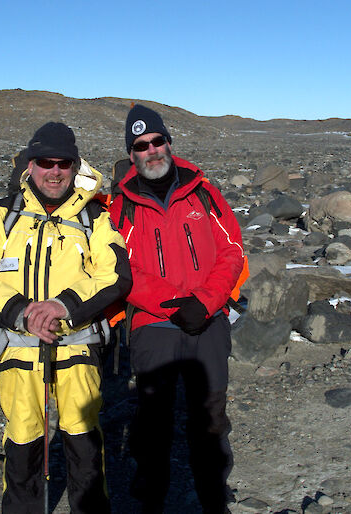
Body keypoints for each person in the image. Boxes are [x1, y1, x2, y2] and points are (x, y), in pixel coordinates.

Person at [0, 122, 131, 513]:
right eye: (45, 162)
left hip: (78, 349)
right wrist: (21, 312)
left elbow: (115, 274)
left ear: (75, 166)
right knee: (22, 443)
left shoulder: (95, 219)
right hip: (19, 352)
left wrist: (62, 307)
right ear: (30, 165)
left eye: (63, 163)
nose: (54, 171)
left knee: (84, 443)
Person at [109, 105, 244, 513]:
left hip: (210, 319)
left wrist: (205, 301)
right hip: (154, 325)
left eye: (156, 141)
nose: (151, 151)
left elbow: (232, 249)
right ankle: (151, 496)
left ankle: (213, 496)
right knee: (153, 420)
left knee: (211, 414)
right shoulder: (122, 207)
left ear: (169, 142)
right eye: (140, 146)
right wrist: (173, 306)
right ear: (131, 154)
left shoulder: (202, 190)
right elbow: (119, 268)